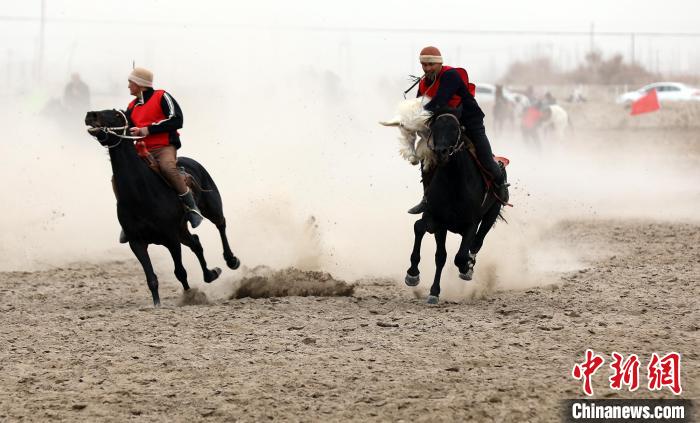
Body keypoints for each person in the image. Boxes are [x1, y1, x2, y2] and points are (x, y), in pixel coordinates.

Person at [408, 46, 508, 214]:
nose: (427, 68)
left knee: (485, 157)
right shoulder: (424, 81)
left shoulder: (451, 76)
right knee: (428, 157)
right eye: (424, 65)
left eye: (431, 64)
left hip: (469, 122)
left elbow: (439, 102)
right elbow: (419, 103)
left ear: (440, 63)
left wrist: (414, 114)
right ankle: (427, 198)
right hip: (444, 126)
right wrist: (408, 118)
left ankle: (501, 188)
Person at [117, 67, 203, 243]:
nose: (128, 86)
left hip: (164, 146)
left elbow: (177, 119)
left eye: (130, 82)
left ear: (140, 84)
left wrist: (146, 129)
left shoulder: (162, 96)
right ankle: (128, 221)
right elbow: (126, 128)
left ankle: (192, 208)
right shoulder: (131, 106)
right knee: (119, 177)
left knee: (167, 167)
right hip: (142, 149)